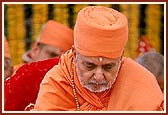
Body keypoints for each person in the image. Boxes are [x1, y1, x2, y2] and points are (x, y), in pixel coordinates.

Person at [33, 6, 164, 111]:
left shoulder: (141, 83)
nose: (99, 76)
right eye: (90, 65)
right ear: (74, 54)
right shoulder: (57, 83)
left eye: (108, 67)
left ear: (121, 57)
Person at [4, 20, 74, 111]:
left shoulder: (68, 90)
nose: (55, 64)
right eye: (52, 55)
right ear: (35, 49)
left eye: (62, 60)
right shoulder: (9, 77)